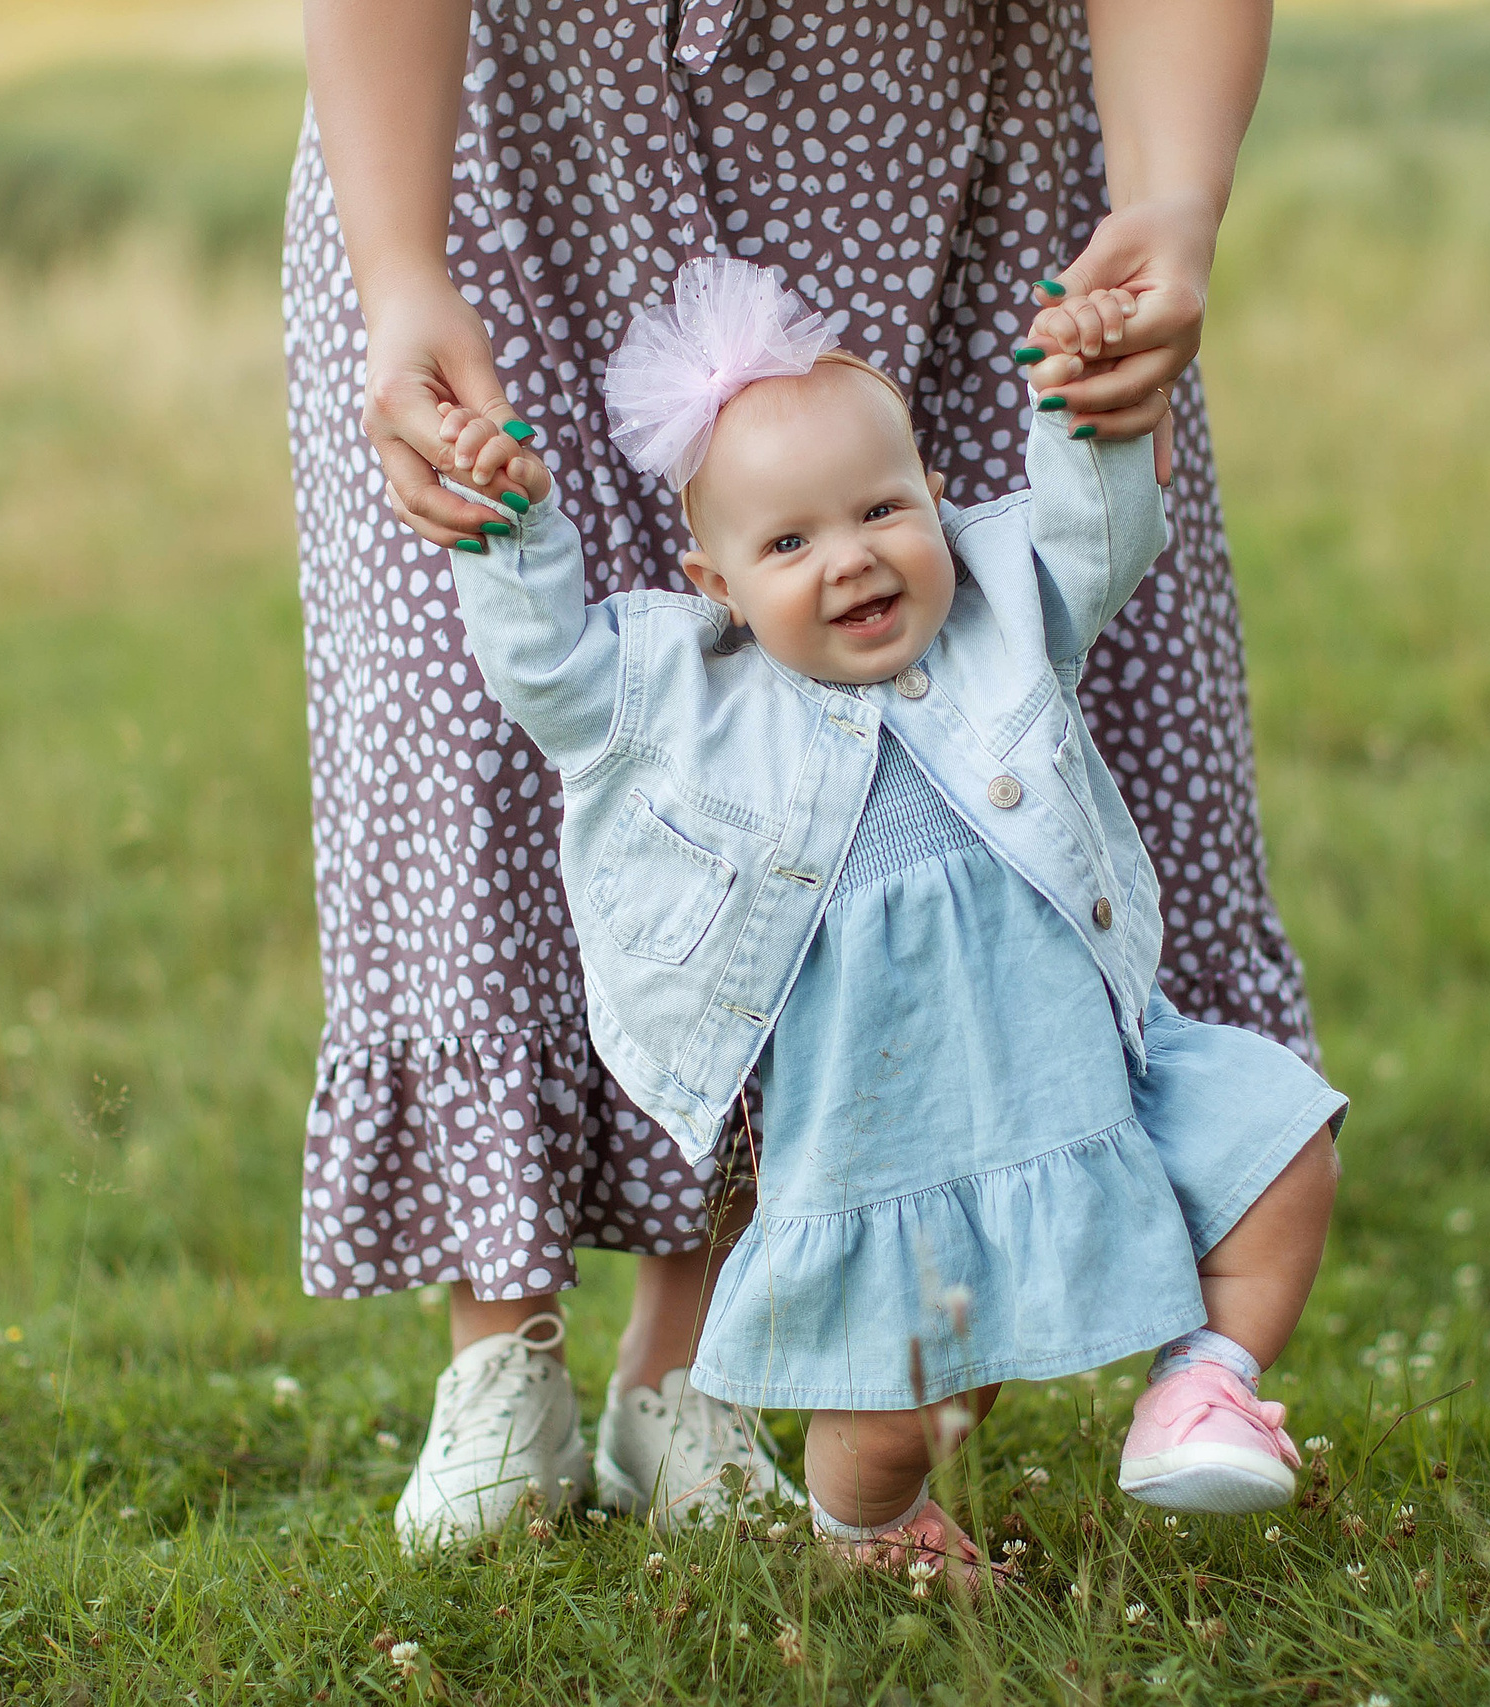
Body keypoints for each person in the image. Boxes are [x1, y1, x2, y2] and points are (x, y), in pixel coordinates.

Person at [285, 0, 1317, 1548]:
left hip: (908, 136)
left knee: (905, 740)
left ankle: (693, 1370)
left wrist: (1167, 196)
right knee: (477, 735)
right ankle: (500, 1352)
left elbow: (1085, 538)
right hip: (518, 137)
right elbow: (553, 671)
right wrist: (404, 272)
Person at [425, 259, 1344, 1581]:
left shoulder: (999, 621)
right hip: (880, 1138)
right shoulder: (691, 703)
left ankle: (1201, 1385)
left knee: (1280, 1148)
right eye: (789, 543)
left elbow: (1098, 535)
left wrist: (1082, 408)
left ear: (938, 508)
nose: (850, 555)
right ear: (719, 584)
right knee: (897, 1420)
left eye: (880, 508)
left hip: (1080, 1069)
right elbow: (550, 675)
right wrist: (512, 534)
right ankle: (864, 1521)